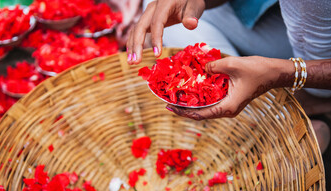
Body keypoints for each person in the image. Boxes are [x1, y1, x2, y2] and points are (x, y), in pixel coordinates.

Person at [126, 0, 331, 153]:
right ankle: (272, 105)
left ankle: (304, 101)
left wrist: (282, 73)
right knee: (159, 7)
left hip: (319, 49)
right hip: (282, 21)